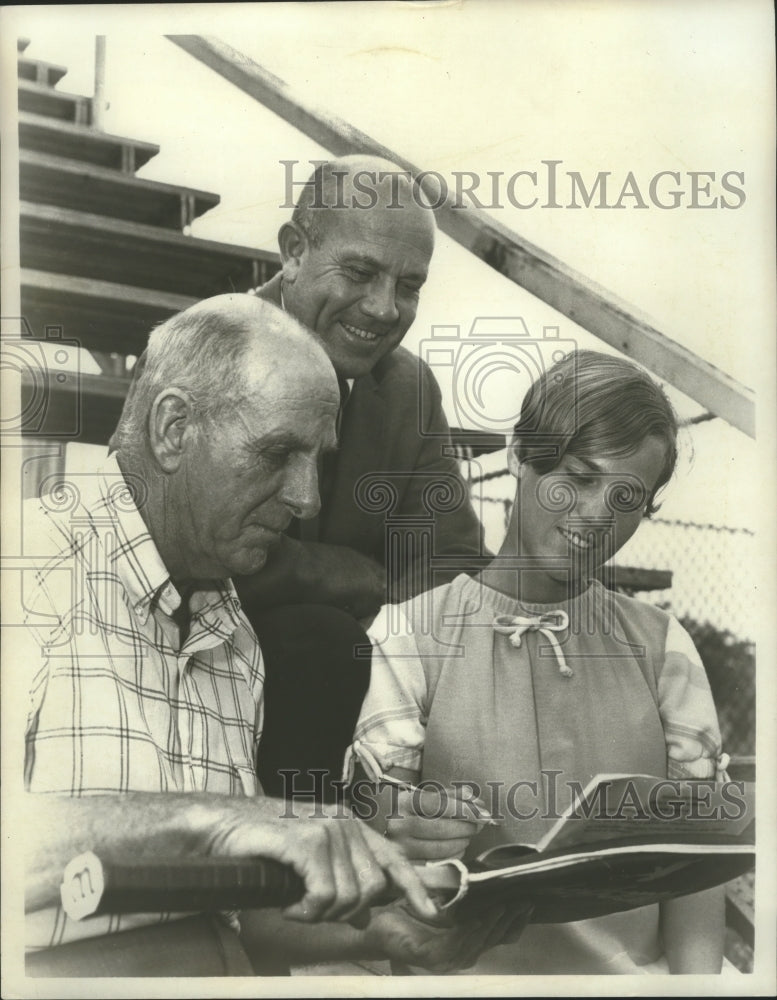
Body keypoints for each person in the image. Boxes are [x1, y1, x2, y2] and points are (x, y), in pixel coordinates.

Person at [21, 294, 511, 976]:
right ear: (172, 427)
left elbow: (235, 925)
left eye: (318, 461)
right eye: (277, 452)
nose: (306, 498)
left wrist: (388, 934)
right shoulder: (27, 564)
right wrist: (214, 823)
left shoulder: (233, 631)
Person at [114, 155, 487, 799]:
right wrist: (345, 573)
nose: (384, 308)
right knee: (319, 642)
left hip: (357, 679)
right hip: (199, 667)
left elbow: (451, 568)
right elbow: (153, 549)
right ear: (293, 251)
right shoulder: (203, 348)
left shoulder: (407, 388)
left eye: (409, 285)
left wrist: (329, 591)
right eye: (361, 271)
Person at [345, 350, 729, 974]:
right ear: (521, 455)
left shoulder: (663, 648)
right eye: (578, 477)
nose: (599, 514)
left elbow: (695, 877)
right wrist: (400, 827)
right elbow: (379, 850)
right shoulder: (409, 635)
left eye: (627, 496)